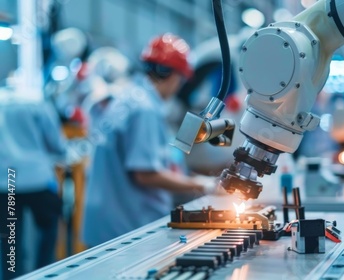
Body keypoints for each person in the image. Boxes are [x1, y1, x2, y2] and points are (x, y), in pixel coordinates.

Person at [81, 34, 212, 247]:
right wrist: (203, 184)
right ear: (172, 75)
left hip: (104, 222)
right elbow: (145, 175)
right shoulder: (145, 109)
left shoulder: (127, 98)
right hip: (126, 227)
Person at [0, 91, 66, 279]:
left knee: (10, 238)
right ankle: (44, 272)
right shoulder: (37, 103)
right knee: (48, 228)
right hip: (37, 177)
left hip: (8, 179)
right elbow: (56, 143)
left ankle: (12, 275)